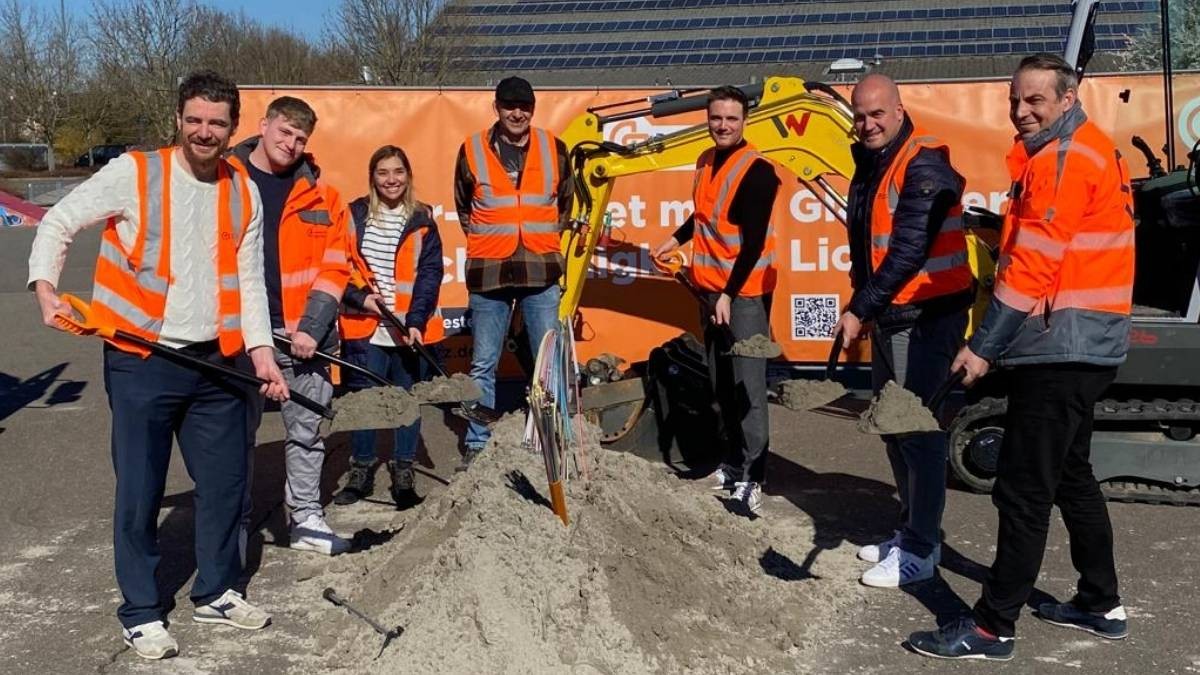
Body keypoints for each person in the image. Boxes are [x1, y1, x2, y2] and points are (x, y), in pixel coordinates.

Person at [27, 70, 285, 660]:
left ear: (233, 128)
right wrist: (45, 286)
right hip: (142, 359)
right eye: (194, 120)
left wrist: (262, 352)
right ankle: (141, 611)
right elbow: (60, 221)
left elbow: (250, 283)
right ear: (178, 119)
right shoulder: (135, 173)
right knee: (140, 490)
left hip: (217, 363)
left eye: (216, 123)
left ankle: (217, 590)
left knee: (225, 486)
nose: (204, 131)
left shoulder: (243, 189)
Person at [909, 53, 1135, 661]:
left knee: (1022, 488)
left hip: (1061, 345)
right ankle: (1098, 602)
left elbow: (1035, 261)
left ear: (1068, 98)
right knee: (1070, 475)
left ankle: (992, 627)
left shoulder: (1062, 160)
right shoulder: (1087, 149)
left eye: (1035, 100)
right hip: (1088, 343)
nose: (1021, 110)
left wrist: (984, 345)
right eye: (1015, 99)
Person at [831, 73, 974, 587]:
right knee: (894, 428)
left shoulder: (922, 163)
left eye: (876, 114)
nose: (867, 124)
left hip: (927, 315)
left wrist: (858, 308)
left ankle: (921, 550)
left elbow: (909, 250)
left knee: (918, 433)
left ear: (897, 109)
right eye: (860, 115)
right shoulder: (872, 164)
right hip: (894, 313)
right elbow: (868, 250)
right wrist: (863, 303)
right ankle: (910, 529)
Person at [228, 97, 354, 556]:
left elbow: (335, 268)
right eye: (284, 132)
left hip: (304, 339)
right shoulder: (224, 184)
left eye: (301, 138)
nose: (291, 143)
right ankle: (234, 524)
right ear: (263, 126)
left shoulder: (325, 198)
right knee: (232, 436)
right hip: (238, 337)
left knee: (308, 433)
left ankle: (305, 519)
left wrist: (311, 330)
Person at [652, 85, 780, 517]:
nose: (723, 125)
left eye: (731, 118)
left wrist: (728, 294)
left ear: (745, 121)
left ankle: (754, 478)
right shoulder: (707, 161)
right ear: (707, 120)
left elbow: (753, 243)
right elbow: (704, 217)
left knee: (749, 388)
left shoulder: (758, 171)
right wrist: (673, 238)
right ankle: (732, 462)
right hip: (709, 291)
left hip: (742, 297)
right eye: (716, 118)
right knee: (721, 383)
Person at [454, 75, 572, 469]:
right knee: (483, 364)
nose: (517, 113)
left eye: (524, 106)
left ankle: (550, 434)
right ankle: (476, 440)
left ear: (533, 109)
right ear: (497, 108)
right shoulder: (471, 149)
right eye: (509, 106)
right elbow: (464, 209)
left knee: (547, 362)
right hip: (491, 271)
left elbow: (565, 204)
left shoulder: (554, 148)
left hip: (540, 269)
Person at [334, 145, 444, 508]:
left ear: (407, 176)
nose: (391, 180)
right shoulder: (354, 214)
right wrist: (358, 298)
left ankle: (403, 473)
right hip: (365, 326)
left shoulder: (423, 218)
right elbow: (337, 265)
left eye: (397, 172)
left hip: (407, 330)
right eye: (383, 173)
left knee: (406, 401)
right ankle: (361, 471)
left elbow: (430, 274)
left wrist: (415, 321)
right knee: (365, 401)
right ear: (372, 177)